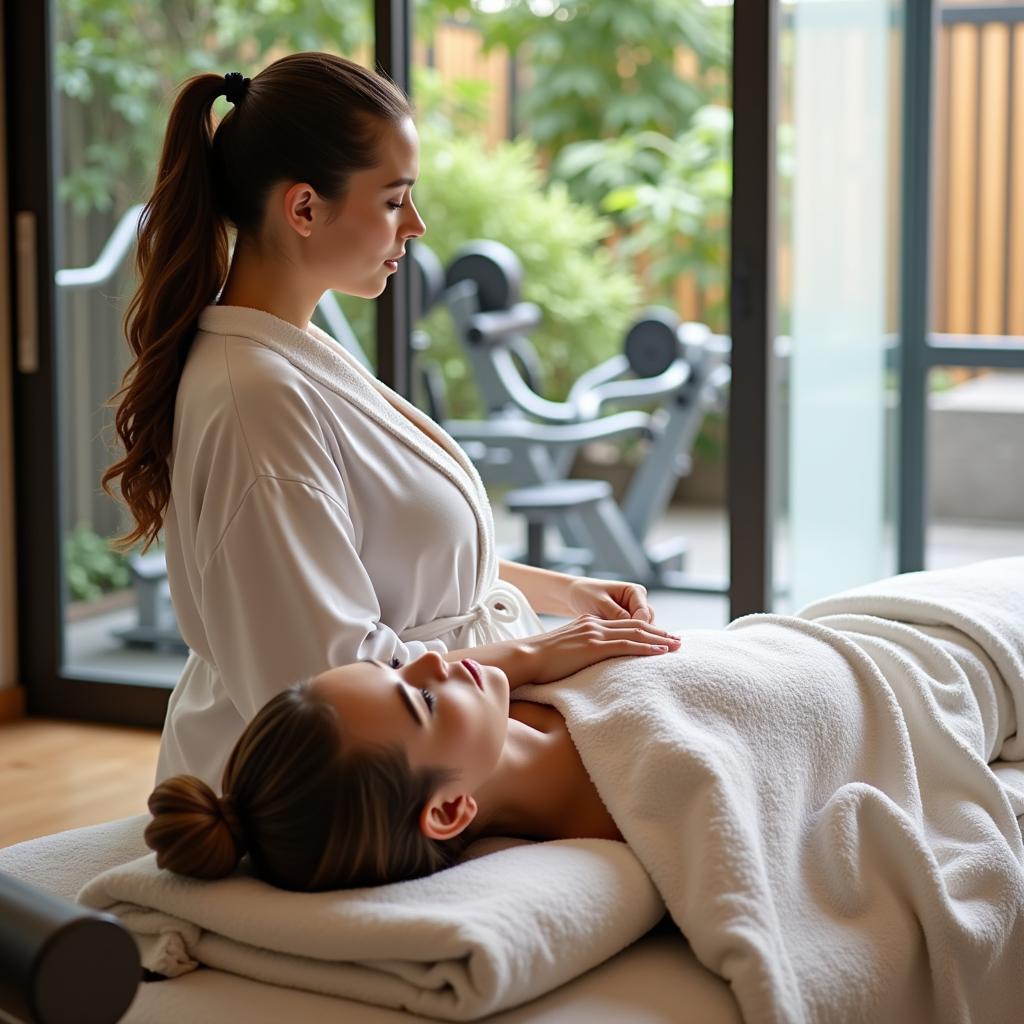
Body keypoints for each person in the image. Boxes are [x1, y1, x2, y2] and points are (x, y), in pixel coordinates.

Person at [100, 52, 671, 790]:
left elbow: (377, 568)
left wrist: (563, 595)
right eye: (395, 199)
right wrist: (537, 655)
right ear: (304, 209)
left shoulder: (294, 354)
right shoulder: (259, 402)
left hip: (430, 740)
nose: (419, 225)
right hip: (335, 796)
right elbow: (336, 689)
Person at [145, 614, 678, 890]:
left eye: (394, 668)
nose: (432, 662)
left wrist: (533, 653)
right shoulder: (649, 798)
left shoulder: (488, 711)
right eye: (422, 700)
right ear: (448, 808)